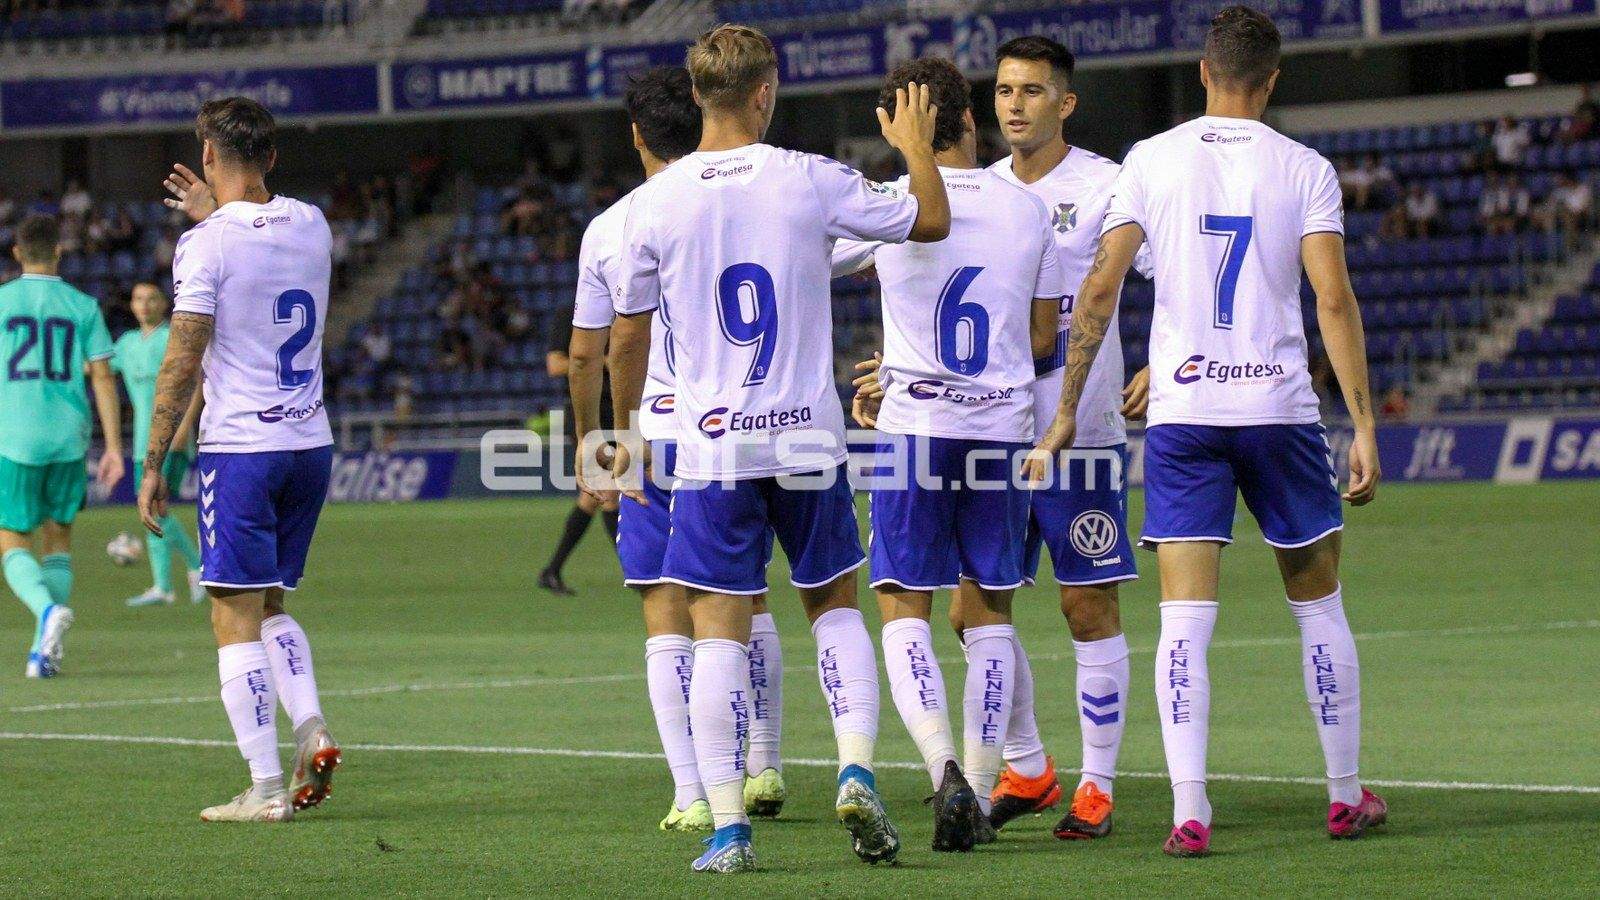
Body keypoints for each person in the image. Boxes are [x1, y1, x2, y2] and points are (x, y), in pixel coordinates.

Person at [1026, 6, 1387, 856]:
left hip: (1186, 416)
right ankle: (1343, 796)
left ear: (1201, 70)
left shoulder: (1152, 160)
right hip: (1278, 411)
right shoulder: (1305, 167)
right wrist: (1363, 425)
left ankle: (1191, 811)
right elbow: (1331, 299)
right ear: (1271, 79)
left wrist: (1072, 404)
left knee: (1185, 621)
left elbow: (1102, 287)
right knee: (1318, 604)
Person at [608, 23, 949, 873]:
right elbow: (930, 219)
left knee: (717, 630)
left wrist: (621, 435)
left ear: (696, 95)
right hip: (806, 439)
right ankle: (857, 769)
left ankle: (727, 830)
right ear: (766, 92)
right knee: (833, 607)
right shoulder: (809, 179)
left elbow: (626, 337)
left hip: (712, 448)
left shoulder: (655, 203)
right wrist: (913, 148)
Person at [833, 55, 1064, 853]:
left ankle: (944, 777)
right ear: (970, 121)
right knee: (991, 609)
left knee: (903, 607)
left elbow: (805, 269)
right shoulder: (1029, 210)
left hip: (913, 428)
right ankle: (983, 769)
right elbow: (1042, 338)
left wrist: (896, 363)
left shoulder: (890, 206)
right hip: (1000, 428)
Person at [567, 65, 787, 833]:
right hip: (742, 424)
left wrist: (599, 446)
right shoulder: (749, 200)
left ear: (634, 135)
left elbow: (591, 352)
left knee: (666, 612)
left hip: (654, 435)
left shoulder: (614, 225)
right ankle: (762, 764)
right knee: (745, 599)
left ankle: (692, 791)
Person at [143, 98, 340, 823]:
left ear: (207, 157)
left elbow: (182, 357)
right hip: (308, 444)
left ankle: (262, 790)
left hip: (242, 449)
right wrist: (213, 214)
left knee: (231, 613)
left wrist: (153, 459)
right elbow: (258, 238)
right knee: (271, 605)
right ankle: (311, 725)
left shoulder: (206, 247)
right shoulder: (314, 224)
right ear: (274, 158)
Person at [984, 34, 1154, 841]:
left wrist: (1168, 359)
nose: (1015, 104)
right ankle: (1029, 766)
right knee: (971, 609)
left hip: (1080, 435)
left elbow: (1174, 270)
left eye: (1032, 91)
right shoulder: (975, 193)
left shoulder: (1108, 185)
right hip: (991, 434)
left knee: (1087, 607)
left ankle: (1097, 784)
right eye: (1006, 90)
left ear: (1066, 102)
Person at [0, 214, 124, 678]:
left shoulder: (2, 302)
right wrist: (112, 446)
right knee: (58, 542)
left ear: (16, 253)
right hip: (69, 437)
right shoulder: (82, 305)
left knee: (12, 541)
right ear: (58, 251)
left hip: (15, 437)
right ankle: (42, 653)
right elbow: (103, 378)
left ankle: (46, 615)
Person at [113, 282, 205, 607]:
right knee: (155, 510)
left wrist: (184, 426)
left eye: (151, 298)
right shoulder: (125, 344)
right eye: (138, 298)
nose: (144, 304)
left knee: (154, 508)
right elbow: (96, 368)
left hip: (170, 438)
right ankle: (177, 579)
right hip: (142, 440)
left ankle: (180, 576)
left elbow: (197, 382)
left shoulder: (171, 338)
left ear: (164, 304)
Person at [539, 304, 618, 595]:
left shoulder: (626, 307)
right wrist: (605, 361)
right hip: (588, 412)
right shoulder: (572, 311)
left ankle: (552, 570)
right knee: (609, 493)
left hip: (621, 410)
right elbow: (555, 365)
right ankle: (636, 571)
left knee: (593, 495)